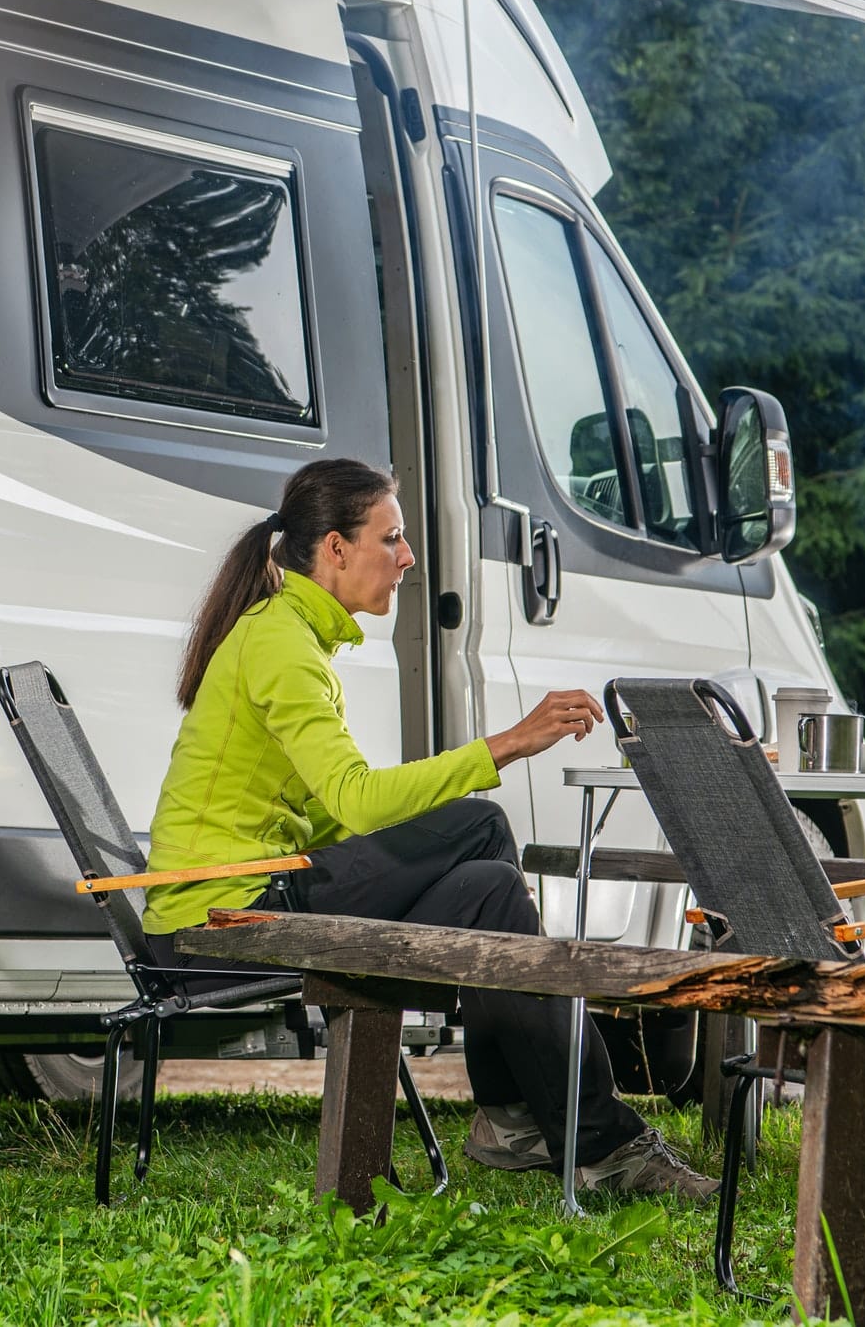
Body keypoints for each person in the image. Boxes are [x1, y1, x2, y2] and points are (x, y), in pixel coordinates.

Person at [143, 456, 716, 1201]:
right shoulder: (280, 643)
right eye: (393, 539)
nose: (408, 558)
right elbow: (354, 802)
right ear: (336, 550)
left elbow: (321, 812)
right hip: (218, 917)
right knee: (481, 827)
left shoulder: (289, 635)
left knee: (491, 889)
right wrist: (508, 743)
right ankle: (549, 1126)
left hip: (256, 892)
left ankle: (540, 1127)